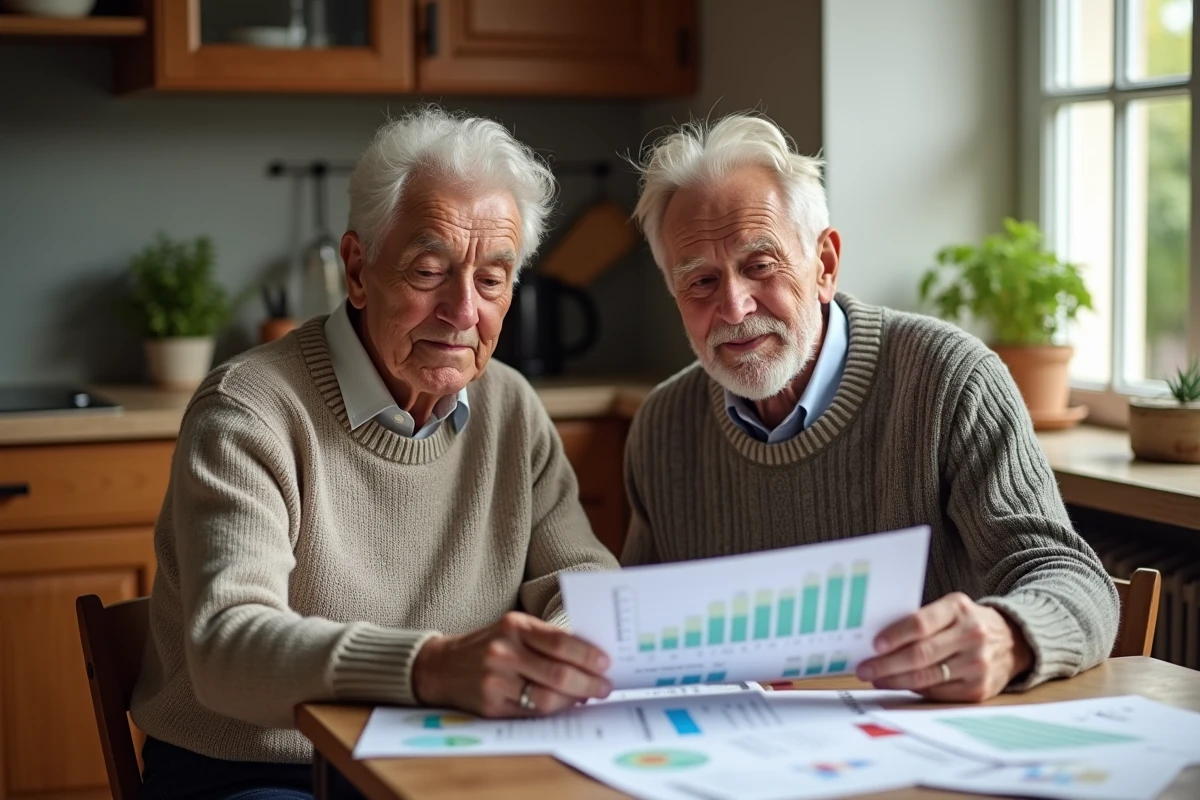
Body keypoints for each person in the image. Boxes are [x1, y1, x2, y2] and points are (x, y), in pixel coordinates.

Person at [131, 107, 618, 800]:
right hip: (261, 770)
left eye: (491, 280)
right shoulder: (248, 412)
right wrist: (432, 667)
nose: (461, 311)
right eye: (428, 271)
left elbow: (583, 579)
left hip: (449, 753)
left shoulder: (512, 407)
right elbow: (225, 647)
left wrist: (565, 650)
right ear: (357, 270)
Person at [621, 113, 1119, 703]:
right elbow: (640, 630)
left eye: (759, 266)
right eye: (700, 281)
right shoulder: (663, 426)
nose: (733, 306)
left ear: (825, 264)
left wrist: (1008, 635)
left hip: (919, 746)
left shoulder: (950, 381)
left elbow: (1073, 577)